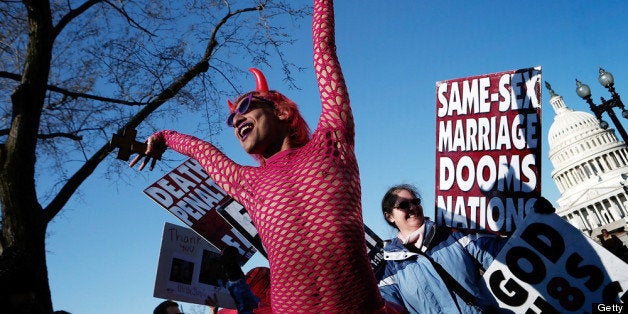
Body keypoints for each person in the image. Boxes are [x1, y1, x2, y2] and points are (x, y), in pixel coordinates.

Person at [130, 0, 392, 312]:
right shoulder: (246, 182)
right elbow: (201, 150)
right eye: (231, 120)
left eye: (246, 107)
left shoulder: (331, 143)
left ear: (281, 110)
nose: (236, 120)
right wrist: (164, 137)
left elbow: (324, 52)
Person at [377, 184, 554, 313]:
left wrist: (531, 220)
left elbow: (503, 254)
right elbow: (387, 309)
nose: (413, 207)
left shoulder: (453, 232)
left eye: (415, 201)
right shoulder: (388, 268)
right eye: (403, 205)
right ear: (389, 216)